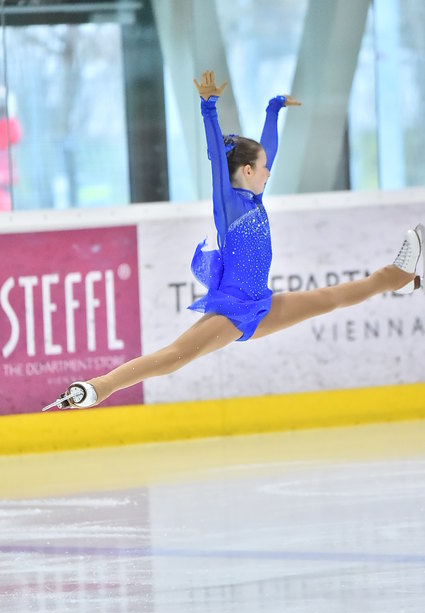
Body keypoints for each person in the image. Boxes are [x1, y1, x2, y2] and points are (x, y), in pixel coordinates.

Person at [45, 70, 423, 411]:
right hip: (232, 311)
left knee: (331, 298)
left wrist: (273, 110)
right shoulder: (228, 205)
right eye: (263, 169)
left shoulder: (254, 196)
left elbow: (266, 149)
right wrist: (209, 108)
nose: (268, 173)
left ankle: (399, 278)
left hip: (260, 304)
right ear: (246, 170)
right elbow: (216, 164)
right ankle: (97, 388)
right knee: (176, 355)